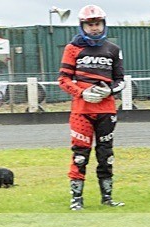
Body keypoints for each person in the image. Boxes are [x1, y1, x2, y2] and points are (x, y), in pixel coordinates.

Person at [58, 4, 126, 210]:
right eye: (90, 24)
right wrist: (82, 92)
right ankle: (76, 200)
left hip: (107, 111)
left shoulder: (113, 50)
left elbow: (121, 81)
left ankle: (107, 198)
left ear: (104, 24)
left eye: (97, 24)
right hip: (81, 111)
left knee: (106, 155)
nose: (94, 28)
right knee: (80, 154)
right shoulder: (72, 49)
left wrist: (110, 91)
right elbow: (63, 79)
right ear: (82, 26)